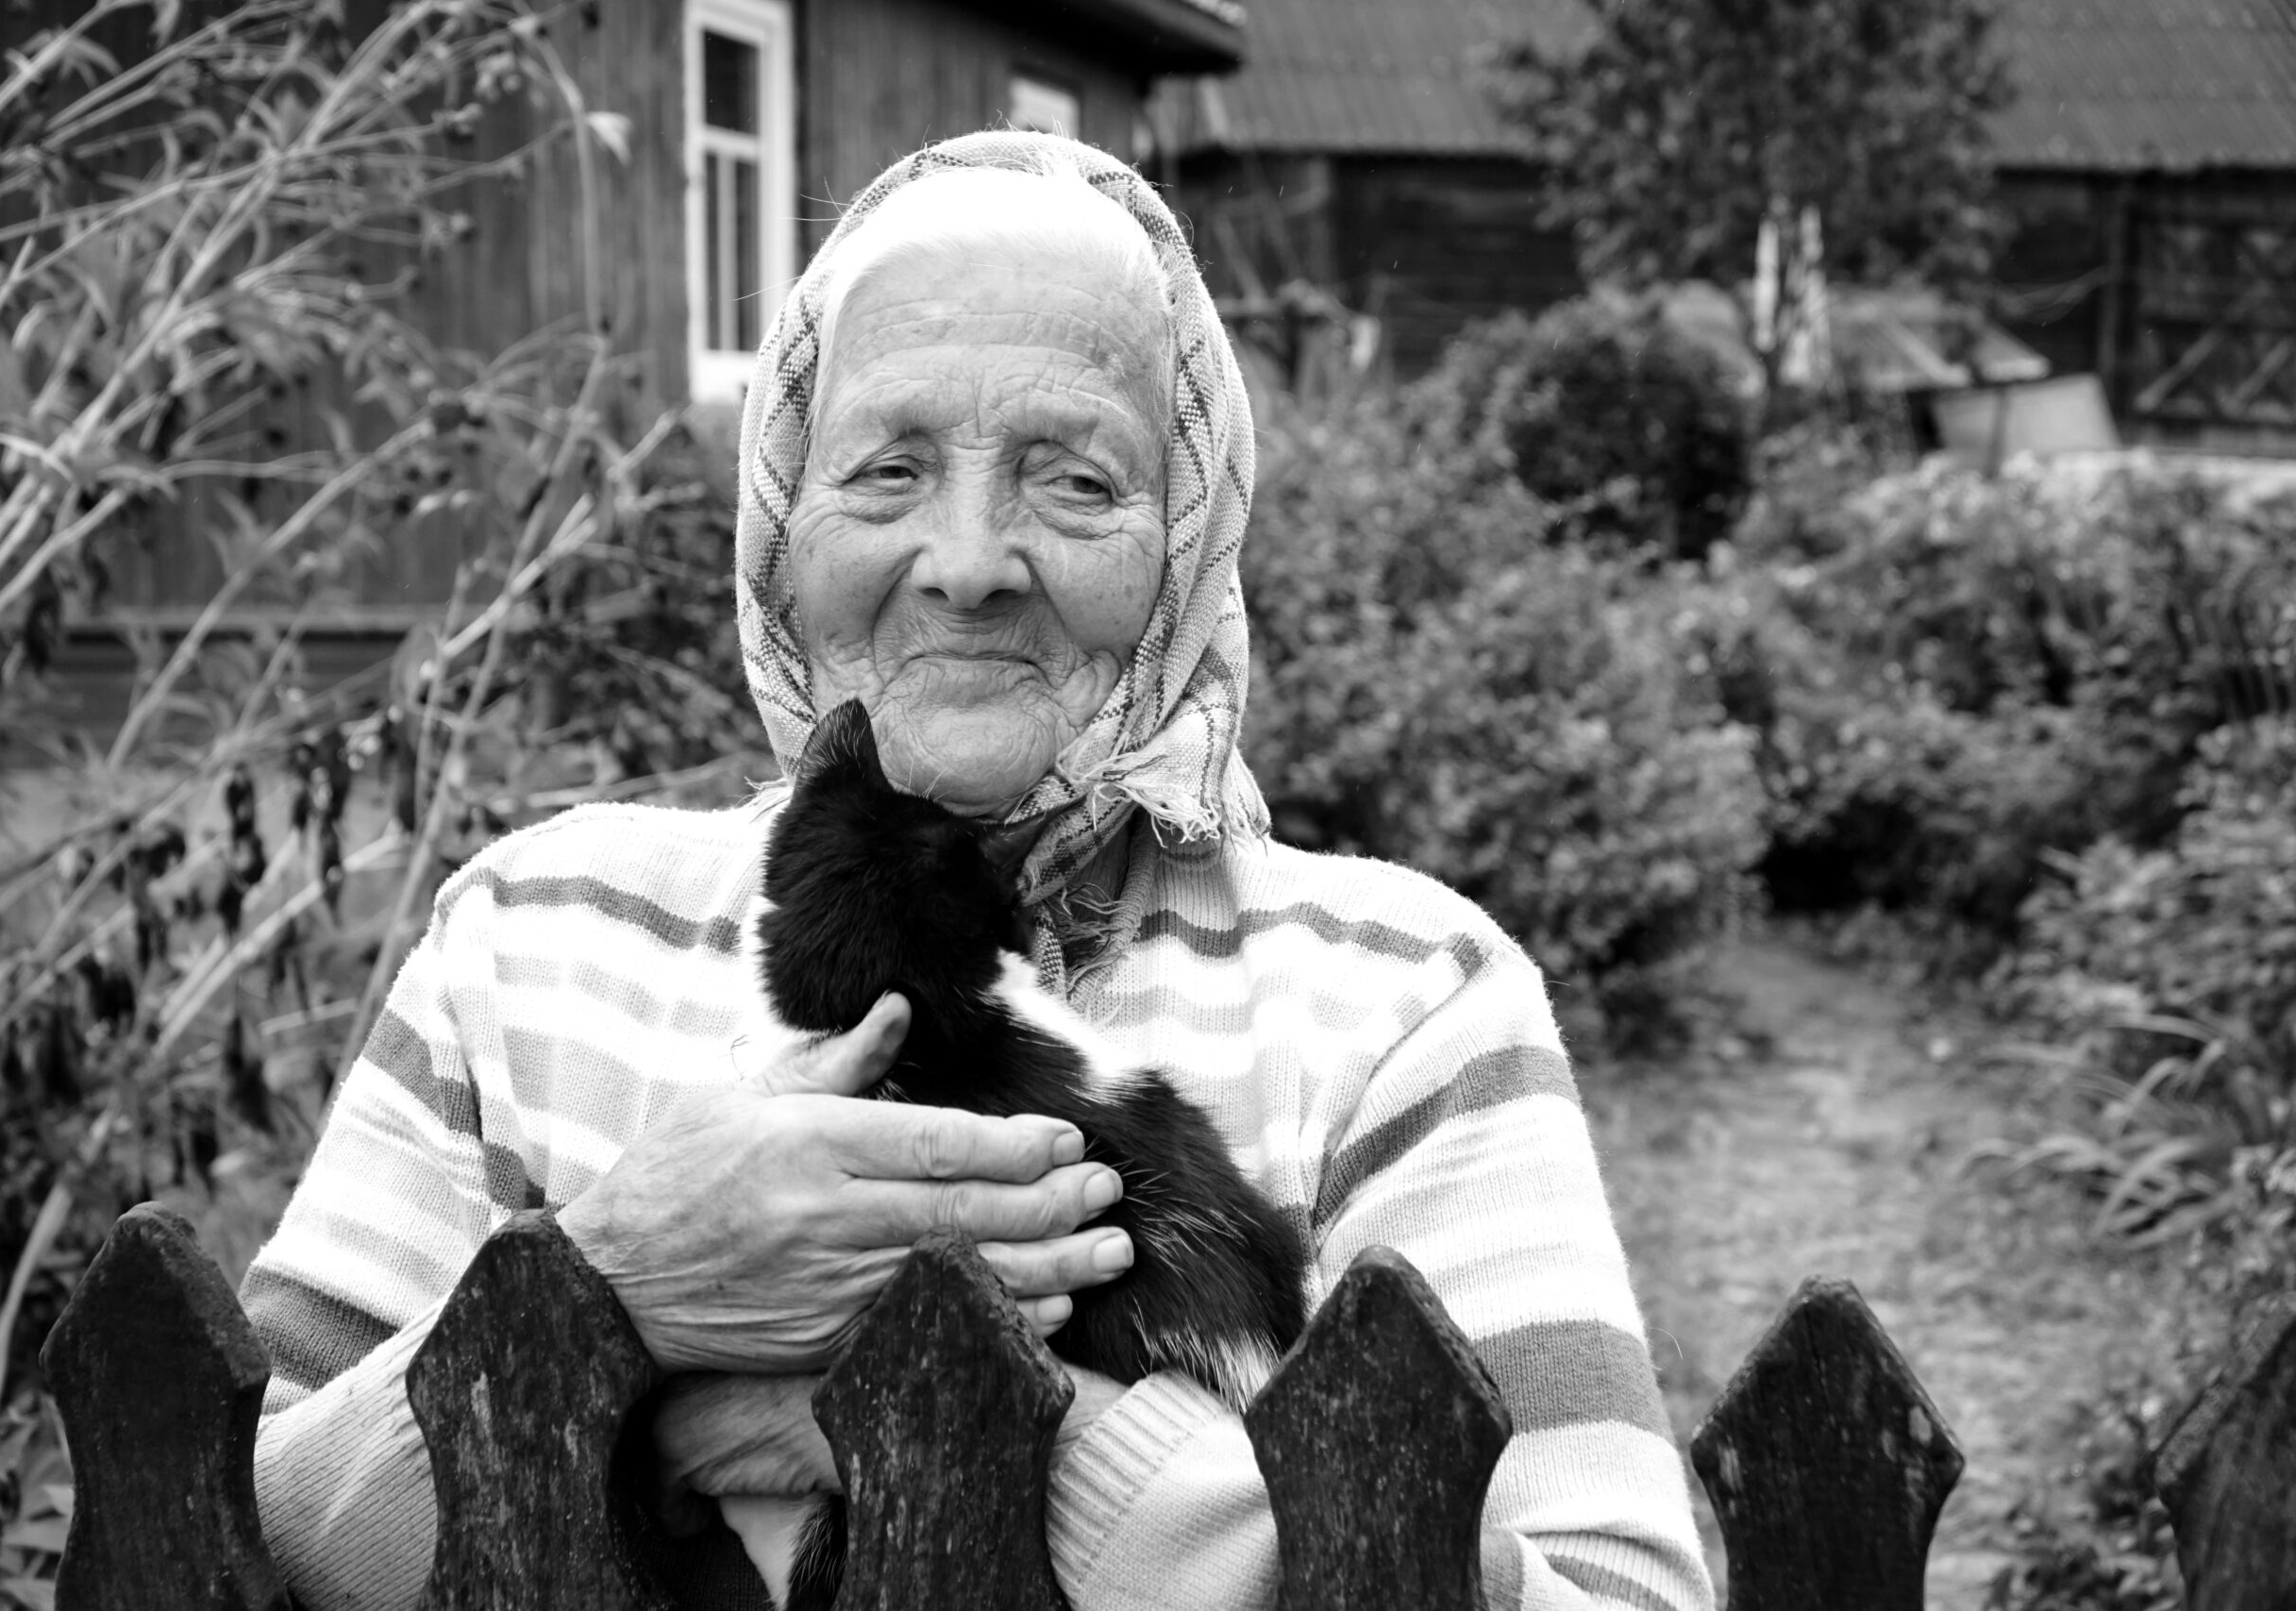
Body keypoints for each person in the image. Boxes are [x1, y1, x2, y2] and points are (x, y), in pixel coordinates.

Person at [241, 130, 1714, 1611]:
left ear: (1185, 536)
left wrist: (982, 1430)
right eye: (887, 472)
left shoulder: (1406, 1005)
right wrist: (615, 1287)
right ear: (783, 523)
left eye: (1073, 481)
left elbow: (1612, 1595)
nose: (967, 563)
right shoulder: (533, 940)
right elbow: (234, 1533)